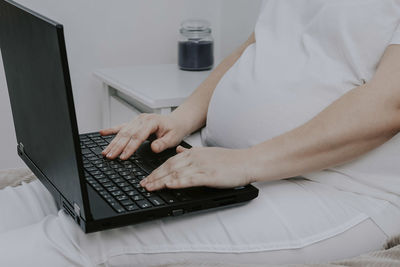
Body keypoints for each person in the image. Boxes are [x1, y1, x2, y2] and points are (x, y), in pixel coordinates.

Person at [1, 0, 400, 266]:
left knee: (78, 244)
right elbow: (258, 45)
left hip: (334, 189)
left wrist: (246, 162)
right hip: (226, 160)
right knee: (53, 194)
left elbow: (389, 103)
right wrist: (182, 118)